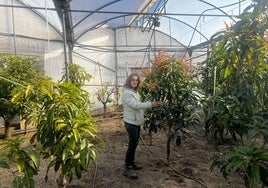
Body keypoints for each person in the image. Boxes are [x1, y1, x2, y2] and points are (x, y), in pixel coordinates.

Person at [121, 73, 161, 179]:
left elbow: (138, 105)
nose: (135, 82)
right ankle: (127, 167)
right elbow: (135, 106)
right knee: (132, 144)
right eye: (133, 80)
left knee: (134, 143)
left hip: (135, 121)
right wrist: (150, 104)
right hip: (130, 122)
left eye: (137, 80)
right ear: (129, 81)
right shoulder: (127, 93)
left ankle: (131, 163)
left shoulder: (134, 92)